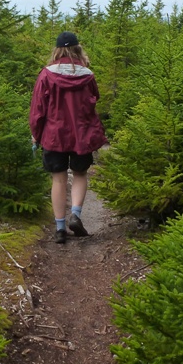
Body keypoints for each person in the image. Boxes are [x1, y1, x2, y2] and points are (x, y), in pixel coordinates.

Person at [29, 31, 108, 244]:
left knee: (58, 178)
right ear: (77, 49)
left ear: (56, 50)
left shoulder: (46, 74)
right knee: (80, 174)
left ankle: (60, 228)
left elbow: (38, 109)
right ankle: (76, 214)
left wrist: (36, 135)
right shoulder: (88, 75)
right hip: (81, 134)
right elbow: (94, 101)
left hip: (54, 135)